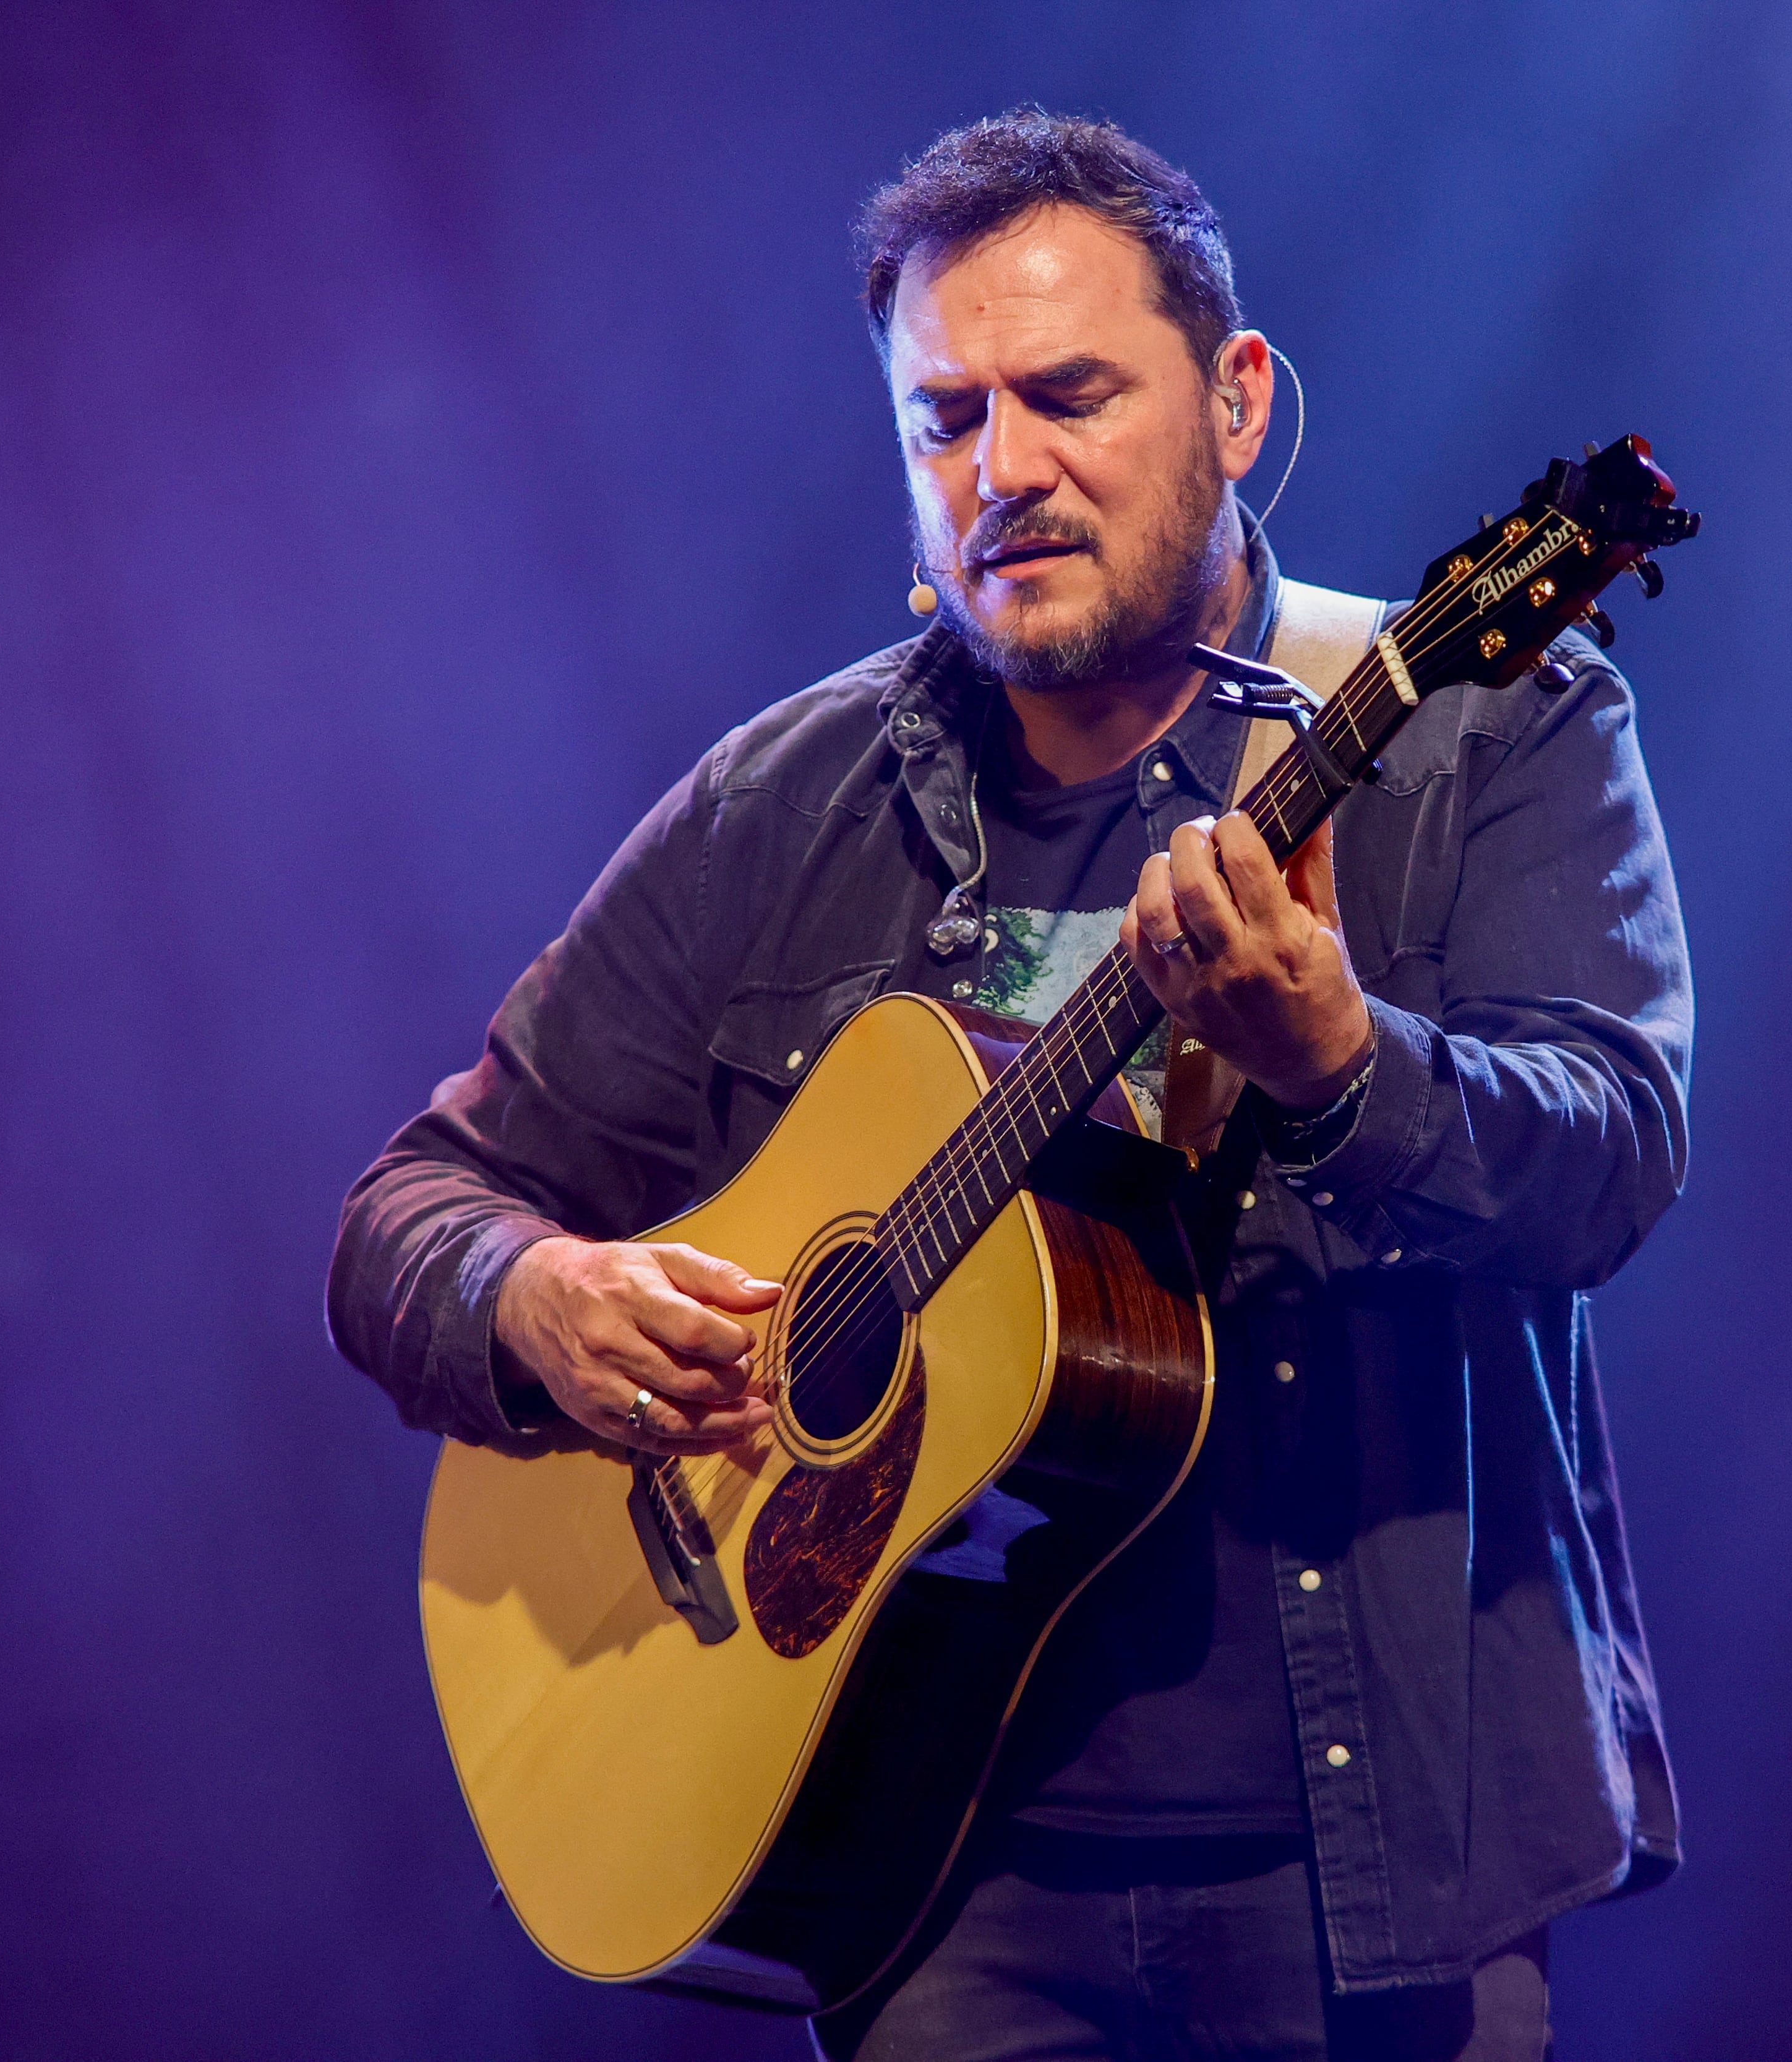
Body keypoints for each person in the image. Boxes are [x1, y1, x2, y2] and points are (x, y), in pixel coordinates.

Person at [328, 110, 1691, 2062]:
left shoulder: (1481, 725)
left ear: (1235, 403)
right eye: (946, 420)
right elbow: (407, 1216)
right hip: (932, 1875)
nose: (1007, 472)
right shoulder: (780, 809)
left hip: (1371, 1872)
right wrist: (531, 1300)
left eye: (1069, 397)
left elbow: (1615, 1168)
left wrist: (1338, 1062)